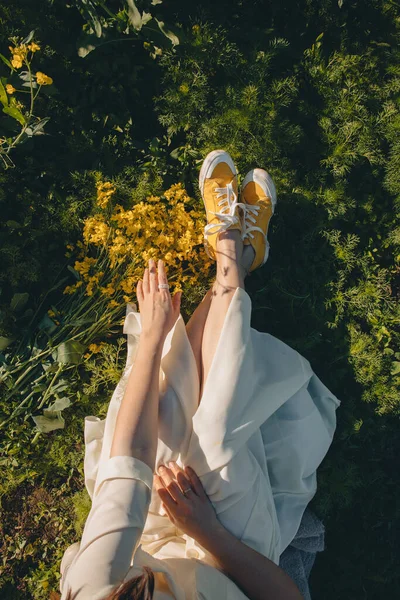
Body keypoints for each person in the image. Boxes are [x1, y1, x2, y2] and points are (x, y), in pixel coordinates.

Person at [59, 150, 340, 600]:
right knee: (214, 432)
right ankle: (233, 254)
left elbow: (127, 464)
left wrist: (151, 340)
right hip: (228, 553)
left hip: (144, 533)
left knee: (168, 417)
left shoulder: (91, 588)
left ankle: (232, 260)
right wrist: (206, 531)